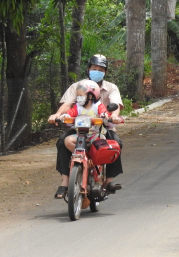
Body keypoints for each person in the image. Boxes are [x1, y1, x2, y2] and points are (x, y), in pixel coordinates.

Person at [48, 54, 124, 199]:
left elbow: (116, 105)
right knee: (62, 142)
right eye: (94, 68)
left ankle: (109, 181)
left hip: (102, 127)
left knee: (116, 143)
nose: (97, 71)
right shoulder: (78, 87)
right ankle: (65, 181)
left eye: (101, 69)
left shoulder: (111, 88)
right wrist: (57, 115)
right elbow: (68, 104)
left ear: (105, 72)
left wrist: (113, 116)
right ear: (88, 69)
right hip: (79, 127)